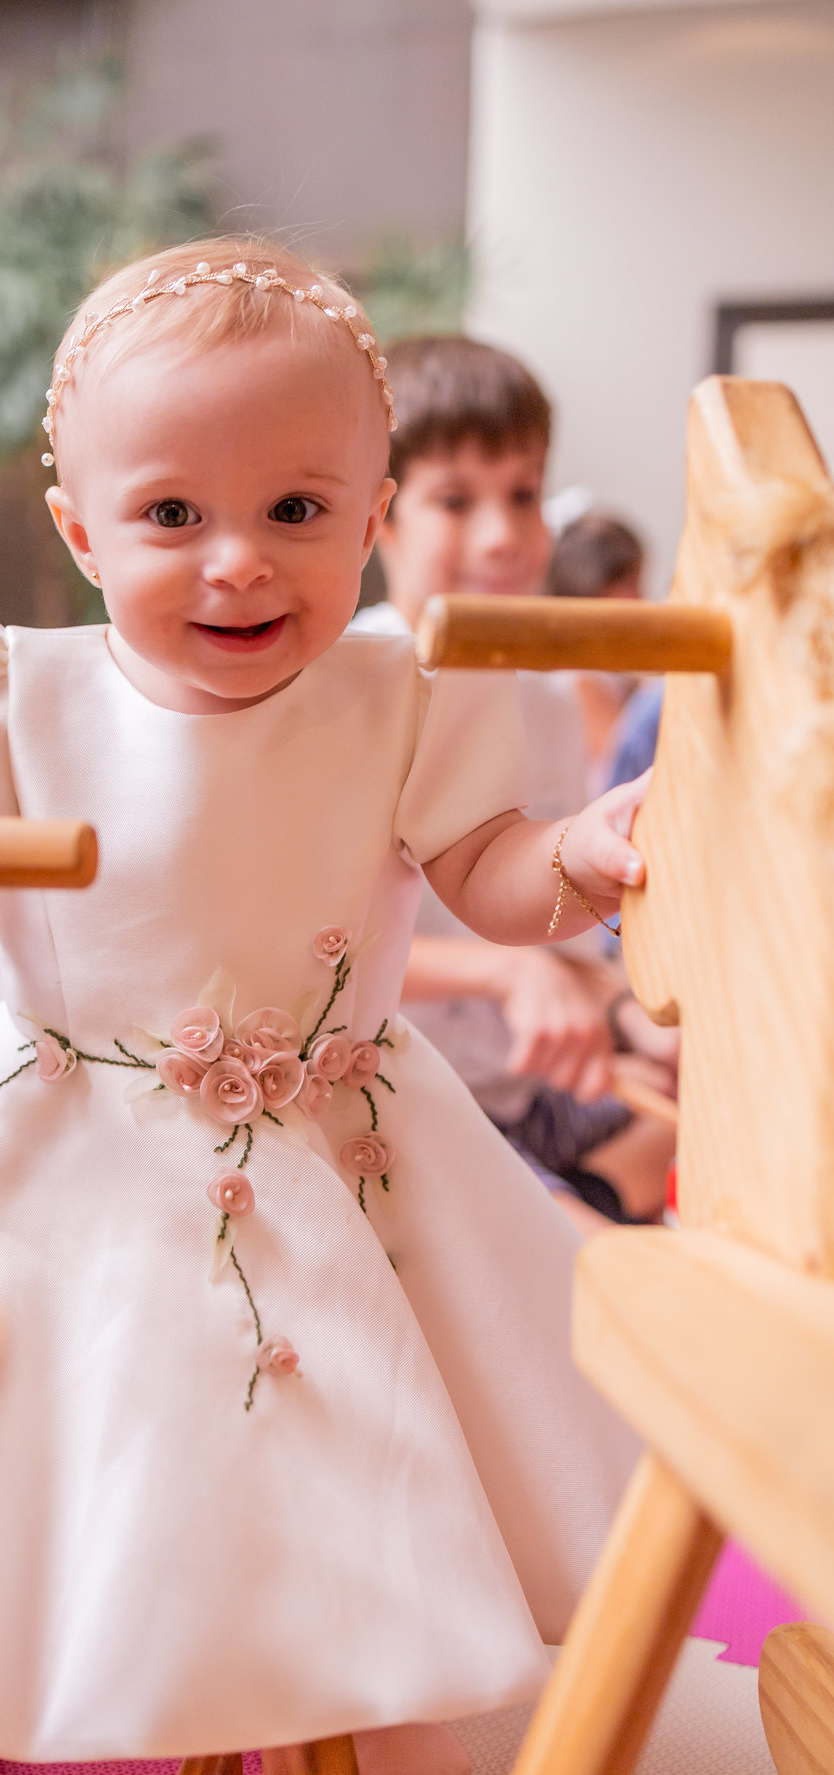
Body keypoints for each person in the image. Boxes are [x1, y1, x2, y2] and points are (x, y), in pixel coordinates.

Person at [0, 241, 641, 1775]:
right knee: (75, 1444)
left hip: (344, 1124)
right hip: (73, 1129)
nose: (239, 563)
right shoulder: (12, 691)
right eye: (170, 517)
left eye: (296, 509)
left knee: (359, 1430)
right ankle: (31, 1677)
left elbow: (490, 871)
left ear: (371, 511)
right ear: (80, 531)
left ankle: (384, 1698)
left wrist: (585, 860)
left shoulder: (402, 695)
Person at [350, 338, 671, 1231]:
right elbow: (307, 952)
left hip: (520, 1096)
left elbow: (558, 930)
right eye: (456, 500)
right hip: (400, 1107)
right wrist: (501, 972)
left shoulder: (550, 703)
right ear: (381, 517)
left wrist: (628, 1013)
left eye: (523, 495)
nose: (501, 534)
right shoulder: (356, 687)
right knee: (609, 1280)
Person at [545, 510, 647, 787]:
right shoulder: (578, 679)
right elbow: (630, 761)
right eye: (630, 585)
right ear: (594, 589)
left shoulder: (615, 674)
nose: (642, 598)